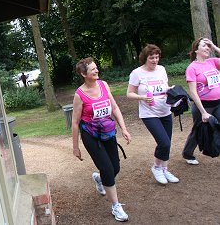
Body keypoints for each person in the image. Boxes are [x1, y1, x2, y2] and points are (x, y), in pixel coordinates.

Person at [71, 57, 131, 222]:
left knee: (115, 168)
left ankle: (99, 178)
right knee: (108, 169)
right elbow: (75, 123)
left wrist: (124, 129)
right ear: (84, 74)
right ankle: (115, 206)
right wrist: (75, 147)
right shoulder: (80, 95)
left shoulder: (104, 85)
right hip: (90, 135)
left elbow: (114, 107)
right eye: (92, 70)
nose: (96, 71)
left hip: (107, 132)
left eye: (96, 68)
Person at [126, 44, 180, 185]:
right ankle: (156, 167)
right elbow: (129, 94)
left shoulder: (161, 69)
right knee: (164, 142)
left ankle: (165, 169)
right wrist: (143, 97)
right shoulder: (137, 73)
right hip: (149, 113)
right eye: (152, 58)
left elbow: (165, 87)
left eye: (157, 57)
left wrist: (172, 90)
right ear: (145, 58)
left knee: (167, 143)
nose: (155, 60)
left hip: (165, 110)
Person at [182, 38, 220, 164]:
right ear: (196, 50)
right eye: (205, 45)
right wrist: (203, 112)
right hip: (203, 106)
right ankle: (187, 154)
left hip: (218, 103)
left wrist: (214, 46)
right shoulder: (192, 68)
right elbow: (193, 92)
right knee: (198, 131)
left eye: (208, 46)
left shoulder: (213, 62)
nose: (207, 48)